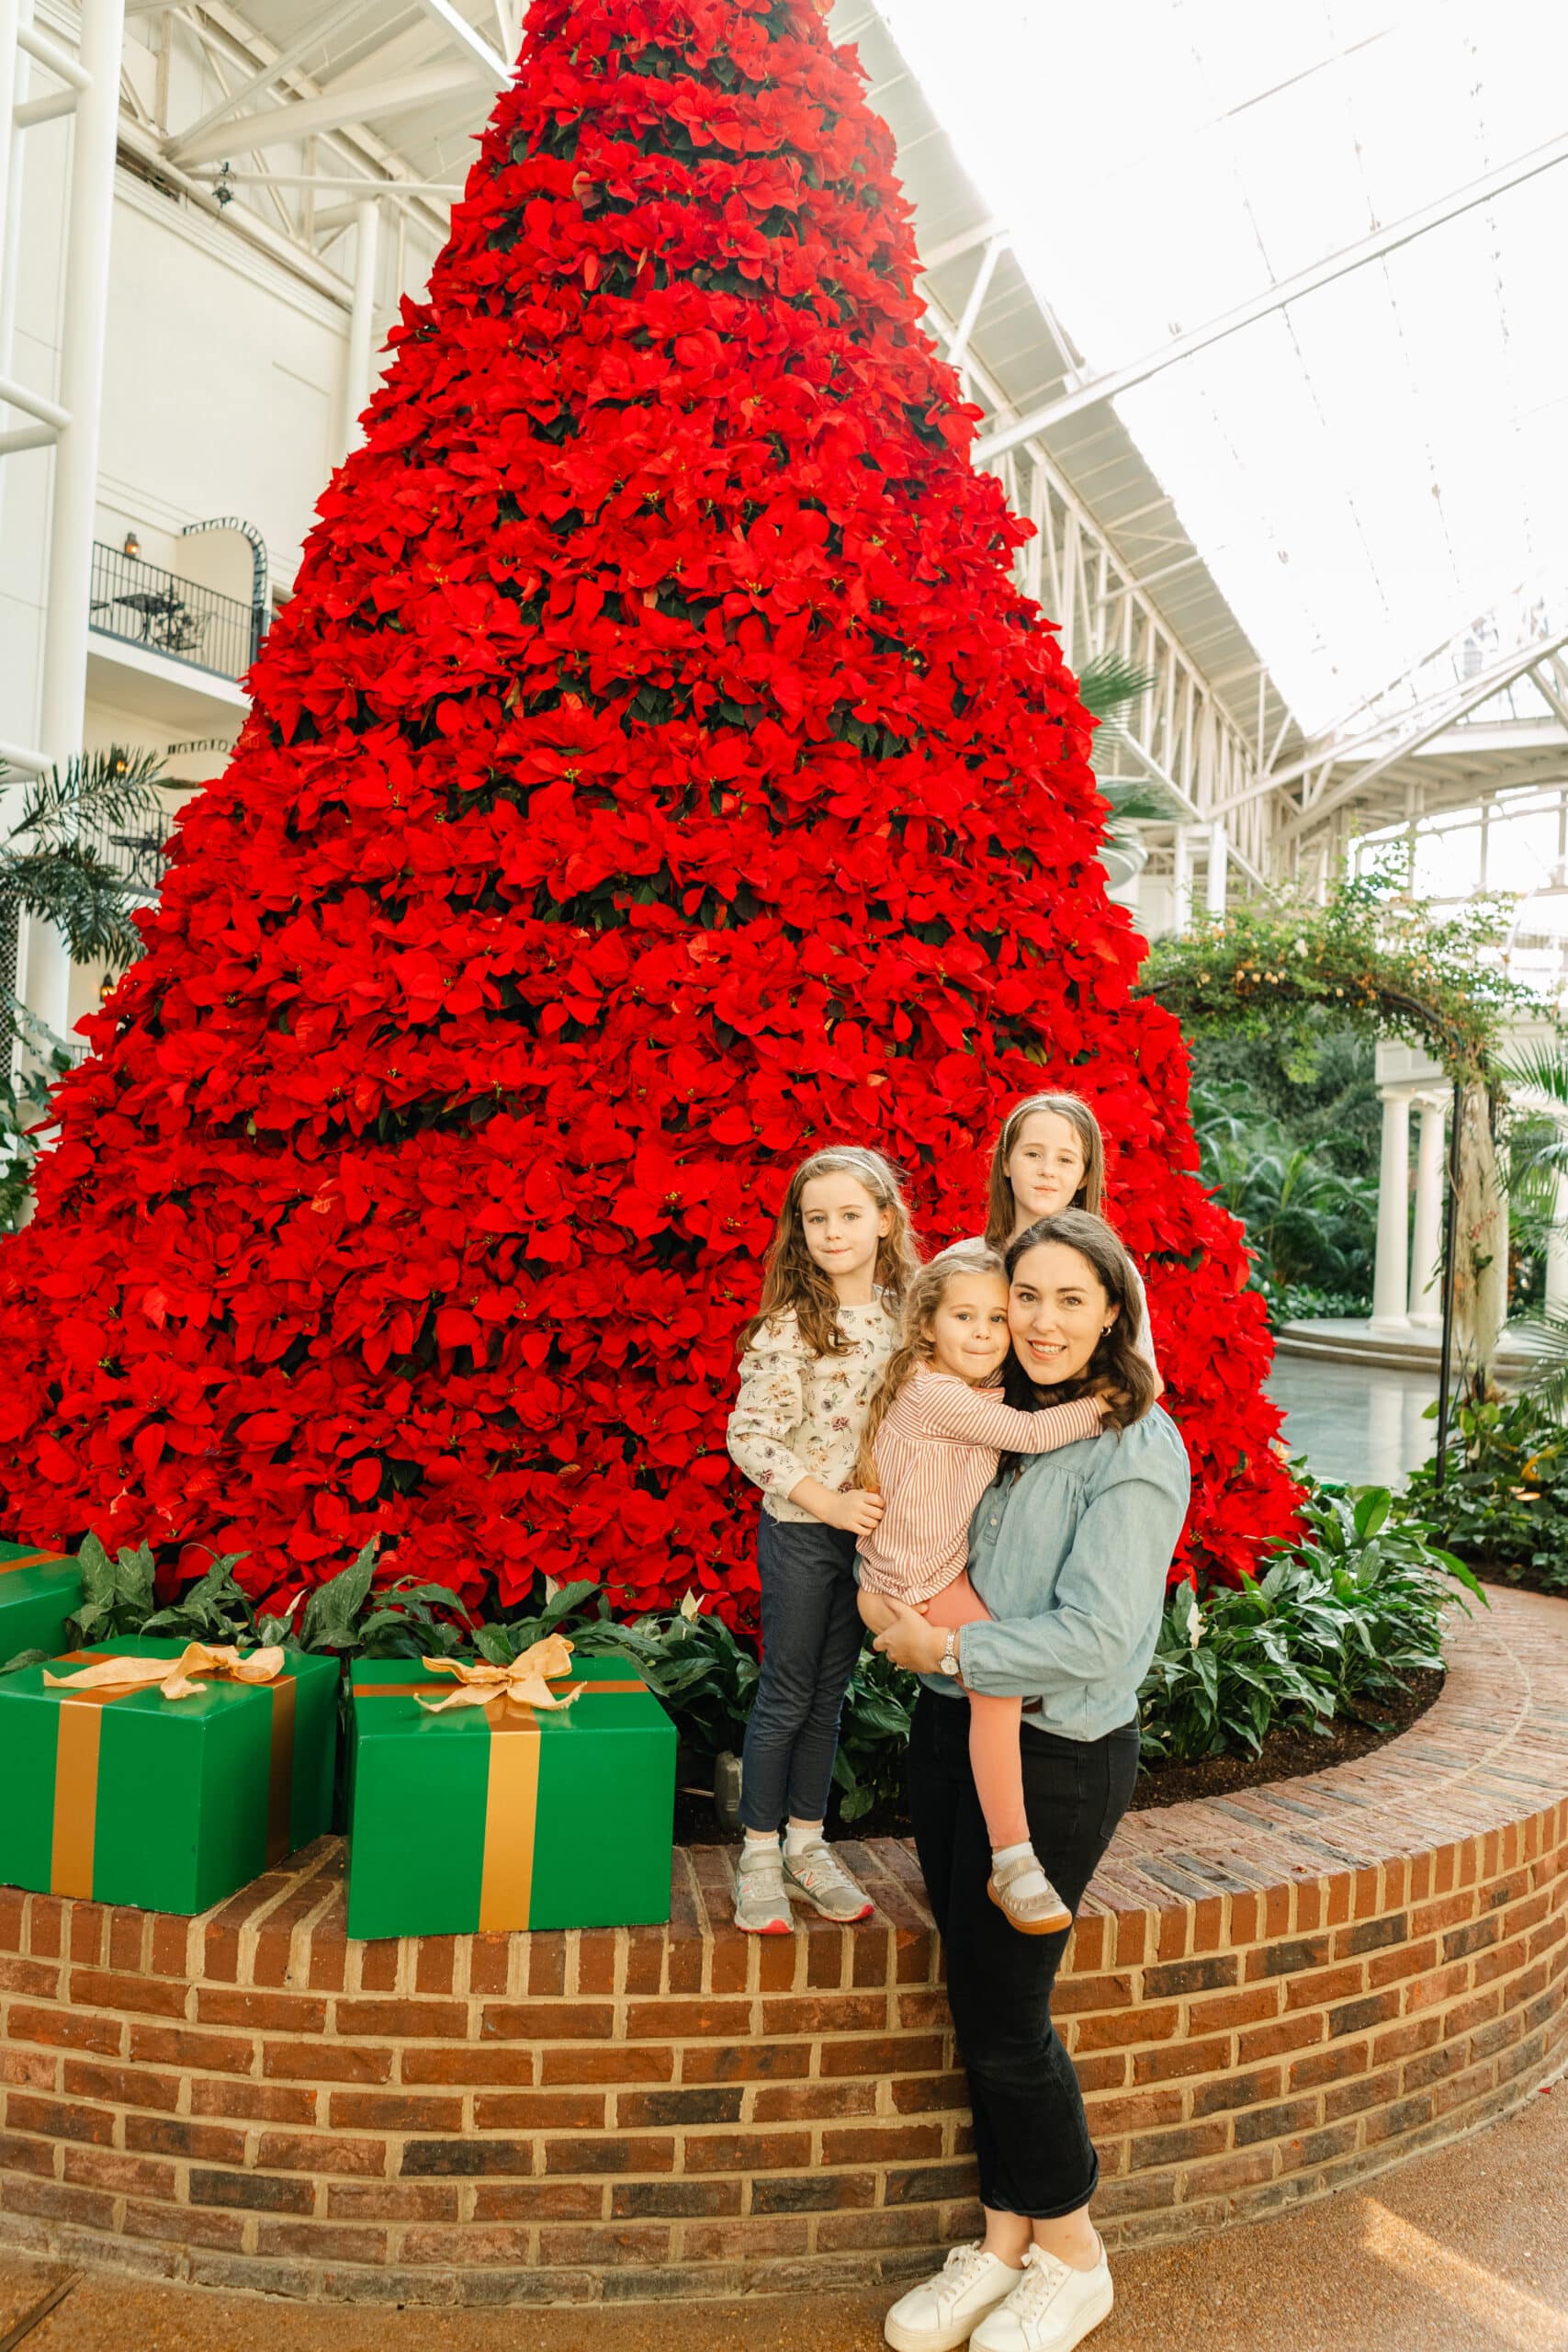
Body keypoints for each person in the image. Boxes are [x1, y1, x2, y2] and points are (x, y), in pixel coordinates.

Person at [875, 1211, 1190, 2352]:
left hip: (1056, 1754)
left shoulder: (1136, 1445)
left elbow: (1099, 1635)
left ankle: (1074, 2252)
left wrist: (947, 1650)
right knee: (975, 2001)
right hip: (953, 1733)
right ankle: (1003, 2242)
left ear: (1114, 1310)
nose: (1043, 1320)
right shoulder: (1002, 1418)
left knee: (1008, 2017)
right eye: (1027, 1297)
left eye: (1071, 1298)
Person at [853, 1240, 1110, 1934]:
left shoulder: (954, 1386)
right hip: (919, 1578)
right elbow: (1027, 1433)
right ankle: (1012, 1858)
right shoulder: (935, 1392)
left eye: (997, 1319)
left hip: (923, 1568)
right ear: (927, 1323)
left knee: (995, 1682)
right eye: (963, 1317)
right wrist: (1107, 1401)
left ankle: (1009, 1852)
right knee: (994, 1686)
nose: (983, 1333)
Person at [726, 1144, 921, 1936]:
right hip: (808, 1534)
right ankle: (758, 1857)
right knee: (787, 1694)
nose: (833, 1232)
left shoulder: (912, 1313)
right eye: (816, 1220)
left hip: (871, 1542)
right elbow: (752, 1437)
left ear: (884, 1219)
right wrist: (830, 1505)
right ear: (797, 1231)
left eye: (849, 1215)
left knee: (831, 1698)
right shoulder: (791, 1326)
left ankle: (808, 1845)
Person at [983, 1091, 1159, 1377]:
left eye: (1065, 1160)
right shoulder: (968, 1260)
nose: (1047, 1170)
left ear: (1085, 1175)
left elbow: (1144, 1378)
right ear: (1005, 1162)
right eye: (1032, 1154)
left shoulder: (1112, 1266)